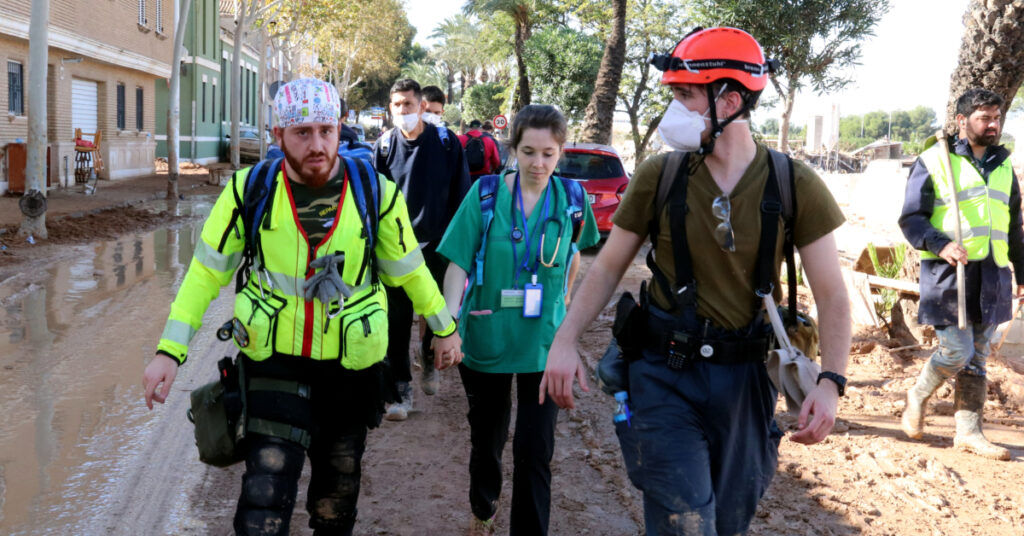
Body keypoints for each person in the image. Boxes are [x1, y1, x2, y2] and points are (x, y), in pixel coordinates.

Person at [540, 27, 852, 535]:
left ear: (729, 100)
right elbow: (607, 265)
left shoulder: (794, 183)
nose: (674, 109)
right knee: (686, 523)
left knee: (727, 524)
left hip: (747, 383)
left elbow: (834, 294)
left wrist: (831, 382)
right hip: (664, 375)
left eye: (686, 95)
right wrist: (565, 340)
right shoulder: (658, 176)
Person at [142, 77, 463, 536]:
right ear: (279, 137)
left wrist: (444, 327)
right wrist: (168, 352)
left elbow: (411, 270)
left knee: (336, 506)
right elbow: (204, 275)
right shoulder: (248, 192)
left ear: (340, 128)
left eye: (326, 130)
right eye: (302, 133)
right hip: (275, 365)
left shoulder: (376, 193)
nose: (318, 144)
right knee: (262, 505)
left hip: (351, 373)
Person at [438, 104, 600, 535]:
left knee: (535, 451)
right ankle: (483, 509)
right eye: (529, 152)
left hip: (544, 347)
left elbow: (575, 253)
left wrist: (563, 304)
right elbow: (456, 263)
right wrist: (448, 324)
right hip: (487, 337)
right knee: (487, 442)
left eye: (548, 154)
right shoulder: (487, 194)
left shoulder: (572, 200)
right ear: (514, 149)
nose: (538, 163)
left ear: (560, 152)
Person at [898, 88, 1020, 461]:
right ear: (961, 121)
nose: (993, 124)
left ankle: (968, 433)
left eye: (996, 117)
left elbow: (1014, 227)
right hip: (951, 273)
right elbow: (911, 218)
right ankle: (918, 394)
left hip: (992, 275)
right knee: (957, 350)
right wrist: (941, 244)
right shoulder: (935, 160)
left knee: (978, 357)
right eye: (984, 117)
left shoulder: (1003, 165)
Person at [373, 78, 472, 420]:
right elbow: (373, 203)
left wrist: (460, 247)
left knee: (435, 314)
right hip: (396, 251)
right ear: (390, 108)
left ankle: (429, 359)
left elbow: (462, 198)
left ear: (421, 107)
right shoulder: (384, 147)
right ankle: (402, 392)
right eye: (397, 105)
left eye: (409, 105)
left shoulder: (446, 144)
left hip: (439, 247)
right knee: (395, 322)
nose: (403, 111)